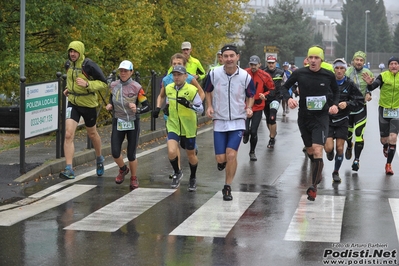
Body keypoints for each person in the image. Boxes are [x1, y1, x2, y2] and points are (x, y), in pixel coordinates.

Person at [282, 46, 339, 201]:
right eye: (310, 58)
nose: (313, 61)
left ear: (321, 60)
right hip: (304, 117)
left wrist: (334, 104)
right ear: (307, 59)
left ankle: (313, 187)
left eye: (316, 58)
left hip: (321, 117)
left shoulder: (328, 75)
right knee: (310, 151)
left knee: (317, 150)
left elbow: (336, 91)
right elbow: (284, 87)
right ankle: (317, 169)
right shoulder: (299, 73)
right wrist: (289, 98)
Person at [204, 44, 255, 201]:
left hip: (238, 120)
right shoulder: (214, 73)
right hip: (220, 119)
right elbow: (207, 90)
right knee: (221, 158)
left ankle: (227, 187)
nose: (229, 59)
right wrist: (210, 106)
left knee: (231, 154)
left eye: (232, 56)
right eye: (226, 56)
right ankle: (223, 163)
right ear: (222, 58)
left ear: (237, 57)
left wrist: (249, 108)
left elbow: (251, 94)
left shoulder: (245, 77)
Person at [60, 41, 108, 179]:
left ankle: (99, 158)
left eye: (75, 51)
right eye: (70, 51)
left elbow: (104, 83)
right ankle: (69, 168)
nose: (72, 54)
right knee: (68, 134)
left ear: (80, 51)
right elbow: (72, 80)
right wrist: (69, 89)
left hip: (88, 104)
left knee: (92, 134)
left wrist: (87, 84)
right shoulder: (68, 65)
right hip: (73, 103)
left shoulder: (89, 65)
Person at [153, 53, 204, 178]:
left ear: (184, 66)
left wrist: (192, 106)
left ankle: (190, 154)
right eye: (174, 64)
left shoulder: (189, 79)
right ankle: (178, 171)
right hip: (171, 118)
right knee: (173, 147)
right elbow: (161, 95)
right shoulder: (166, 79)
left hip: (187, 119)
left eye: (179, 64)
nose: (176, 66)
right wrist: (159, 107)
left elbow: (201, 94)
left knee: (188, 149)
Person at [105, 60, 150, 189]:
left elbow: (147, 106)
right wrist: (110, 105)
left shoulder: (137, 87)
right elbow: (113, 98)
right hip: (118, 120)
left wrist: (138, 109)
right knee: (114, 152)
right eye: (121, 71)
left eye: (126, 71)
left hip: (132, 121)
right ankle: (123, 169)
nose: (123, 73)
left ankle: (134, 178)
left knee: (131, 154)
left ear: (131, 72)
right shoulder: (114, 85)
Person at [161, 65, 204, 190]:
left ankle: (193, 177)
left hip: (188, 126)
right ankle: (177, 172)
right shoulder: (169, 88)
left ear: (186, 76)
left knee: (191, 155)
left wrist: (189, 105)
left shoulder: (191, 89)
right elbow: (168, 100)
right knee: (171, 151)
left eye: (179, 75)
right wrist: (166, 108)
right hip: (173, 124)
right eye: (174, 75)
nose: (177, 77)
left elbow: (201, 109)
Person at [324, 58, 364, 182]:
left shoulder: (349, 84)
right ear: (333, 69)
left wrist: (347, 104)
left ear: (345, 70)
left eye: (342, 68)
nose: (339, 71)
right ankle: (330, 153)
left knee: (340, 148)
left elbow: (359, 100)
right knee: (329, 148)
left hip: (343, 119)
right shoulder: (327, 83)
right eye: (337, 68)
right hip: (329, 119)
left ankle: (335, 172)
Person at [363, 56, 399, 175]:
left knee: (393, 137)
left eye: (396, 63)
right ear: (388, 66)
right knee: (384, 139)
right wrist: (369, 84)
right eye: (391, 64)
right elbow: (374, 86)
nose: (394, 66)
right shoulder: (383, 76)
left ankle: (388, 165)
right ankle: (385, 146)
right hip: (384, 109)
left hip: (396, 110)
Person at [345, 51, 374, 171]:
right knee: (348, 134)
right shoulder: (347, 72)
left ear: (364, 62)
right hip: (348, 108)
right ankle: (349, 146)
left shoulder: (368, 73)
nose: (358, 62)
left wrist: (368, 92)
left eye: (361, 60)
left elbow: (370, 87)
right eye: (357, 60)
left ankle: (356, 160)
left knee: (358, 134)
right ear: (353, 61)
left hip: (361, 107)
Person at [243, 55, 275, 161]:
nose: (253, 67)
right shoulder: (244, 73)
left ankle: (252, 152)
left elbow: (272, 89)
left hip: (258, 106)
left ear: (260, 65)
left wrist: (264, 95)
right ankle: (245, 134)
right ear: (249, 64)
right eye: (251, 64)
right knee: (246, 130)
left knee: (254, 131)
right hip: (245, 106)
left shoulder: (264, 75)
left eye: (255, 65)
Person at [262, 55, 286, 148]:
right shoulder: (263, 72)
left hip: (276, 97)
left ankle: (271, 139)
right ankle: (273, 133)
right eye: (269, 63)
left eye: (273, 63)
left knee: (272, 117)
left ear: (275, 63)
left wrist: (285, 94)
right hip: (266, 97)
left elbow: (285, 83)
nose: (271, 64)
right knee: (268, 118)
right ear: (267, 63)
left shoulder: (281, 72)